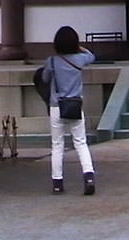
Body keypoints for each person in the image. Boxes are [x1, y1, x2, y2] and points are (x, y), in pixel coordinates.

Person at [41, 25, 97, 195]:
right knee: (81, 143)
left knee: (57, 145)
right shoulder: (80, 59)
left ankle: (57, 182)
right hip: (75, 106)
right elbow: (91, 56)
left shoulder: (51, 61)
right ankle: (88, 177)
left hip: (57, 107)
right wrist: (78, 47)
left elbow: (44, 78)